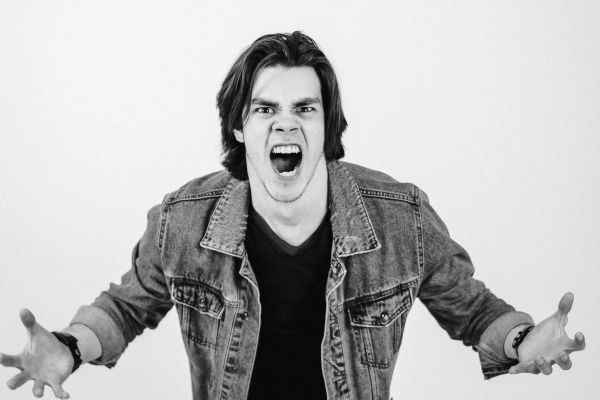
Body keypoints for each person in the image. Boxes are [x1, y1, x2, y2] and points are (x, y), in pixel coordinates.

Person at [0, 31, 586, 400]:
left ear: (327, 126)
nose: (286, 122)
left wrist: (521, 340)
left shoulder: (399, 218)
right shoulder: (184, 221)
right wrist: (69, 346)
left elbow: (473, 310)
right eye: (265, 109)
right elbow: (125, 308)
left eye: (305, 108)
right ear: (240, 127)